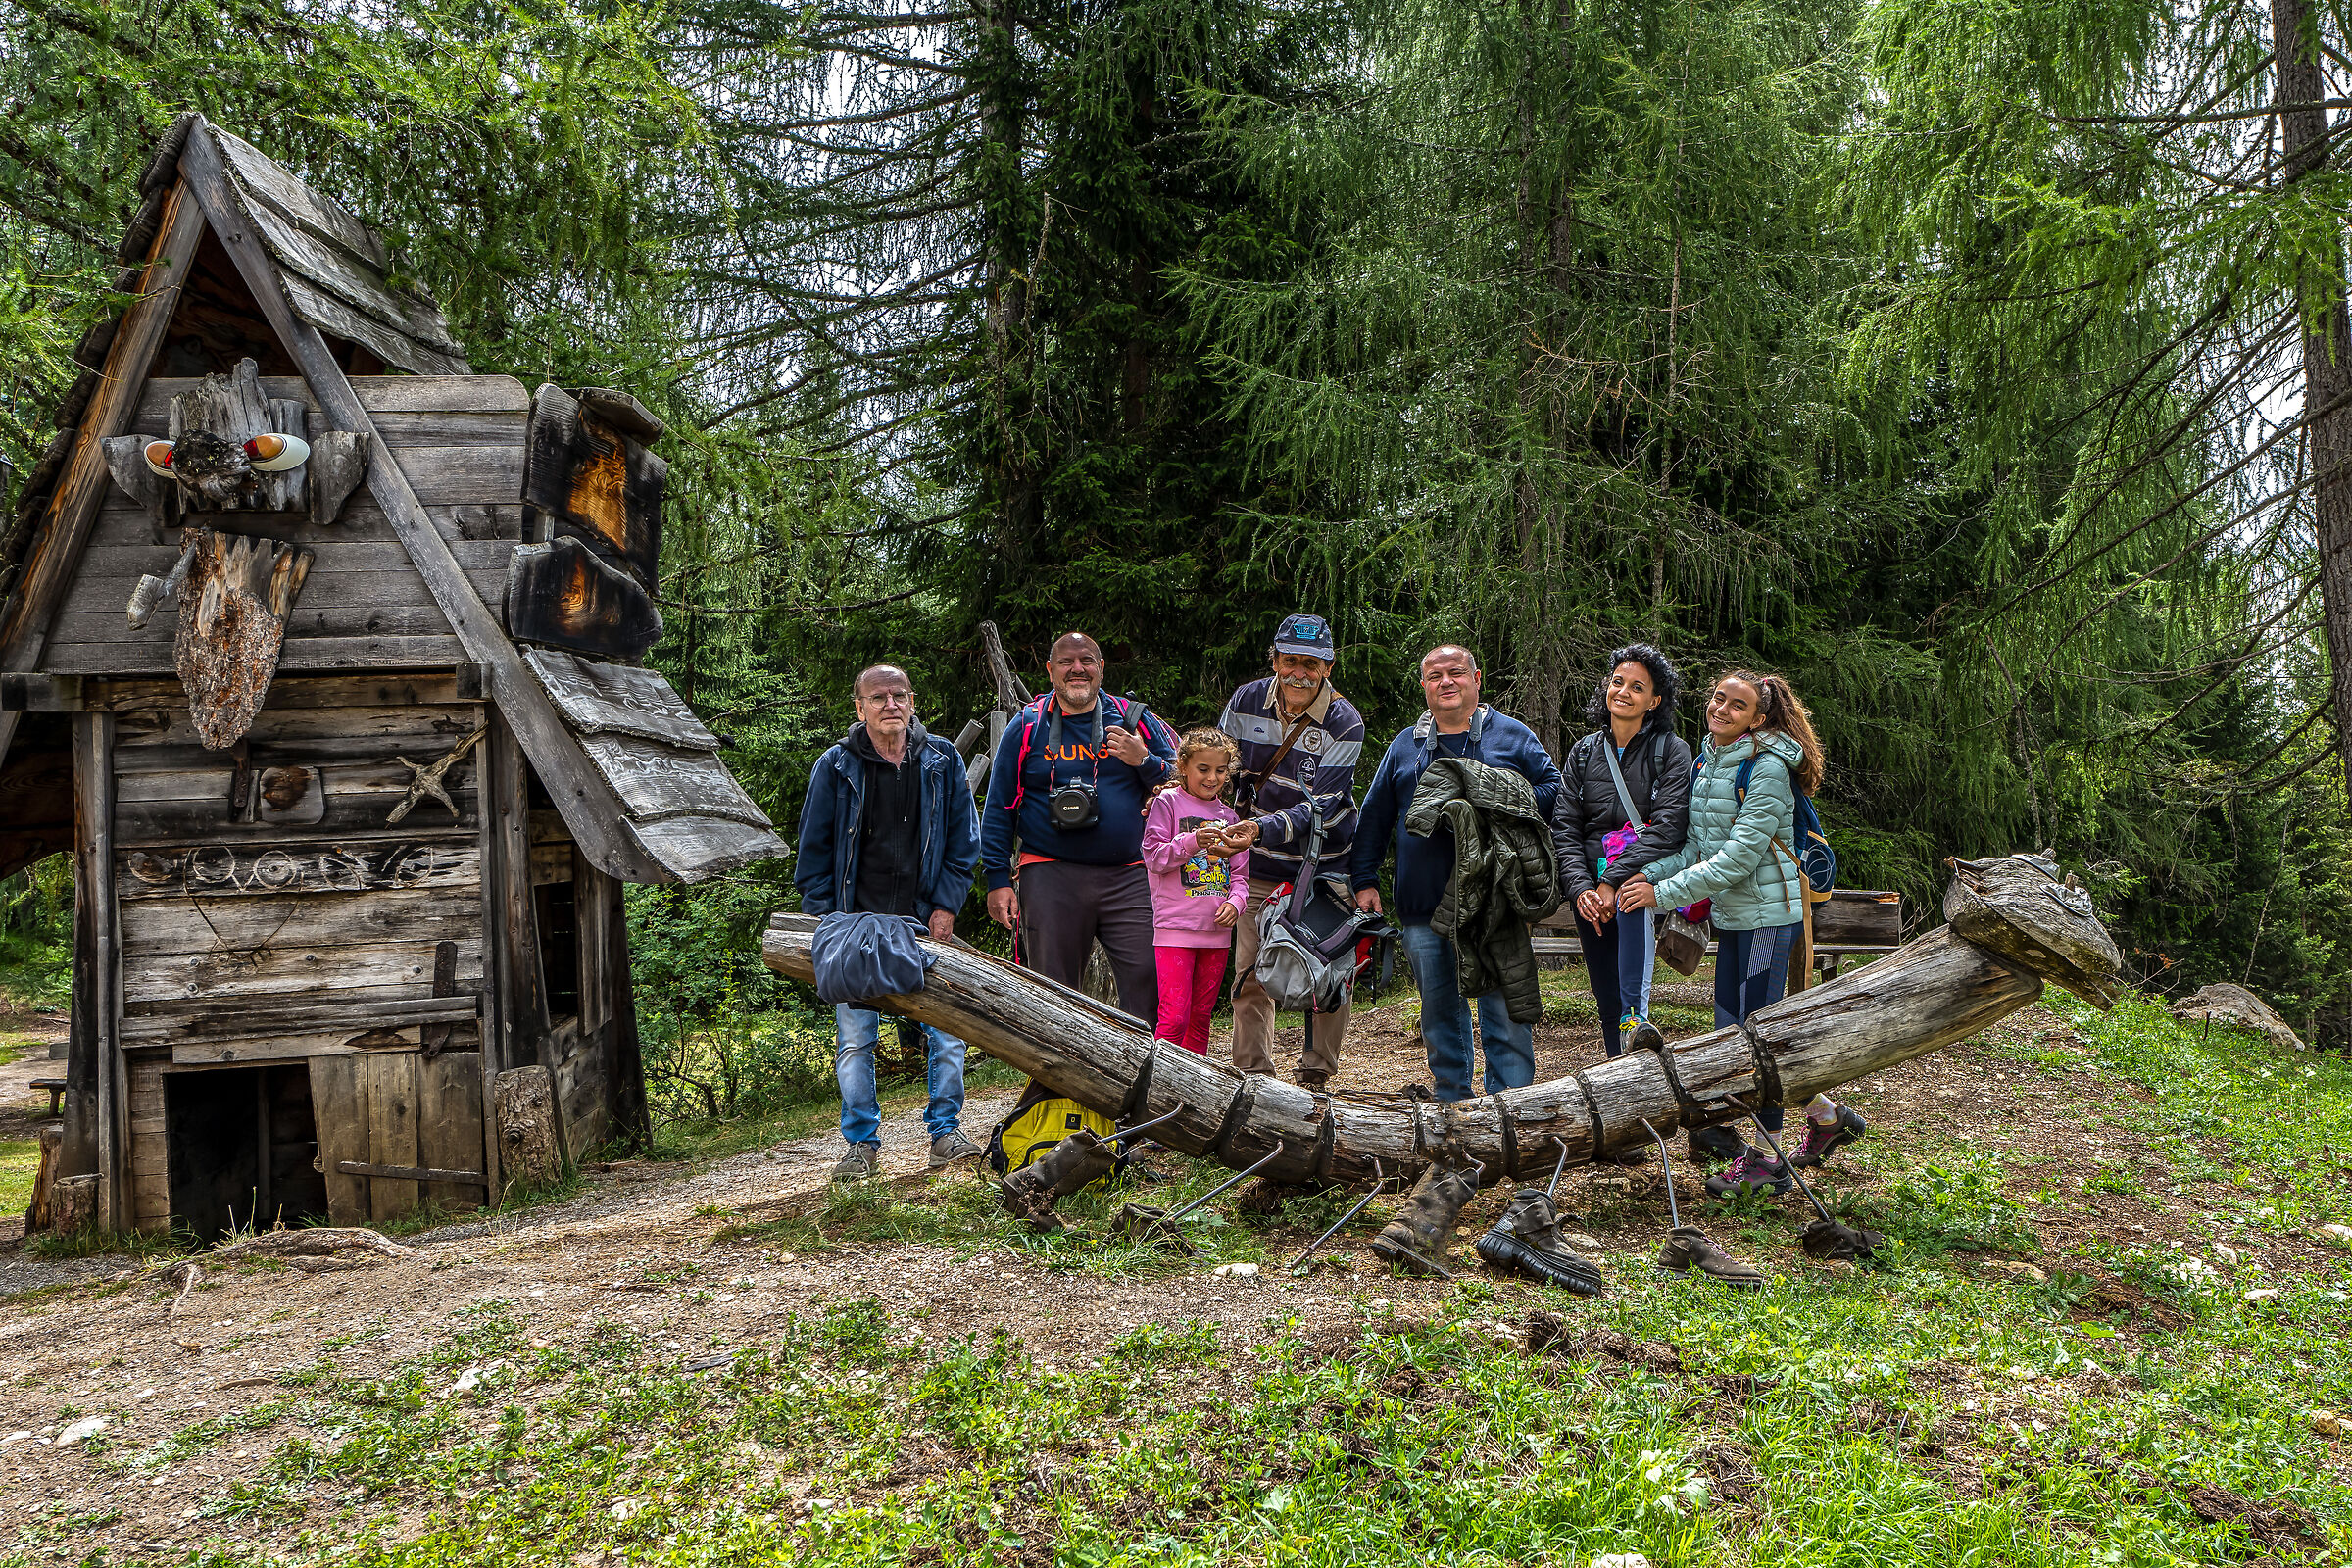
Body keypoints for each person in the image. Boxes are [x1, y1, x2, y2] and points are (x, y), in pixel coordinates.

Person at [1619, 670, 1868, 1193]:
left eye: (1738, 705)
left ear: (1758, 718)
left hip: (1770, 921)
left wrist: (1661, 895)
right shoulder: (1708, 761)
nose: (1722, 709)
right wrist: (1647, 876)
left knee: (1762, 1043)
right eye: (1718, 698)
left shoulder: (1768, 768)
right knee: (1733, 1034)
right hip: (1733, 919)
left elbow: (1737, 859)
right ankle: (1826, 1118)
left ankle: (1769, 1163)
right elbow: (1696, 849)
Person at [796, 664, 984, 1182]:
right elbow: (812, 850)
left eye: (898, 695)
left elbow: (963, 843)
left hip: (924, 923)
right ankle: (861, 1145)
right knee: (856, 1041)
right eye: (877, 697)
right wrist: (826, 919)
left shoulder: (941, 759)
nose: (890, 704)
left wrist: (946, 906)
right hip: (855, 926)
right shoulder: (837, 765)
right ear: (860, 708)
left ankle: (946, 1134)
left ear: (912, 702)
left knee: (948, 1034)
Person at [1350, 644, 1562, 1101]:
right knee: (1440, 1012)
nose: (1446, 682)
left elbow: (1554, 791)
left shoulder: (1513, 736)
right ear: (1424, 686)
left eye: (1456, 673)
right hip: (1424, 905)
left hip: (1496, 902)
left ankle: (1512, 1107)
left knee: (1504, 1010)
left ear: (1476, 679)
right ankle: (1453, 1104)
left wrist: (1491, 792)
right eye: (1435, 676)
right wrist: (1364, 880)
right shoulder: (1404, 746)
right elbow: (1374, 818)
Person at [981, 631, 1180, 1022]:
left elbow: (1184, 786)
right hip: (1050, 871)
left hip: (1130, 874)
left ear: (1101, 668)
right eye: (1067, 662)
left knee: (1150, 976)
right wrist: (997, 879)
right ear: (1050, 670)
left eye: (1087, 661)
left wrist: (1144, 761)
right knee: (1052, 991)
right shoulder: (1028, 725)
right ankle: (1055, 1064)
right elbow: (1001, 805)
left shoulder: (1134, 719)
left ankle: (1142, 1061)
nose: (1077, 669)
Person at [1214, 612, 1368, 1088]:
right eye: (1290, 661)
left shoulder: (1345, 721)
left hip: (1324, 866)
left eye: (1311, 664)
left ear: (1328, 667)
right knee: (1251, 972)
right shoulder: (1245, 701)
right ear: (1275, 660)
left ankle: (1317, 1074)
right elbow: (1221, 769)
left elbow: (1323, 804)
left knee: (1329, 970)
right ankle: (1252, 1076)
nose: (1299, 673)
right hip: (1256, 865)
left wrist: (1259, 829)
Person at [1549, 645, 1693, 1060]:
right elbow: (1565, 827)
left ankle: (1638, 1044)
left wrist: (1612, 881)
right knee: (1605, 996)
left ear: (1655, 701)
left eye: (1637, 687)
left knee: (1631, 1001)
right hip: (1591, 891)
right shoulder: (1583, 752)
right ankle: (1618, 1071)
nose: (1624, 692)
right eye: (1618, 682)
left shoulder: (1671, 751)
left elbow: (1668, 829)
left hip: (1641, 883)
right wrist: (1582, 889)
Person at [1142, 728, 1252, 1055]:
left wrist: (1236, 902)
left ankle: (1194, 1083)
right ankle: (1160, 1079)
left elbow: (1240, 876)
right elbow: (1153, 857)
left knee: (1200, 1019)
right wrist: (1191, 842)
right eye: (1203, 769)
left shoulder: (1229, 817)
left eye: (1220, 770)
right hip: (1175, 930)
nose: (1212, 778)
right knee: (1174, 1018)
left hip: (1216, 933)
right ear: (1183, 766)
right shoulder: (1167, 803)